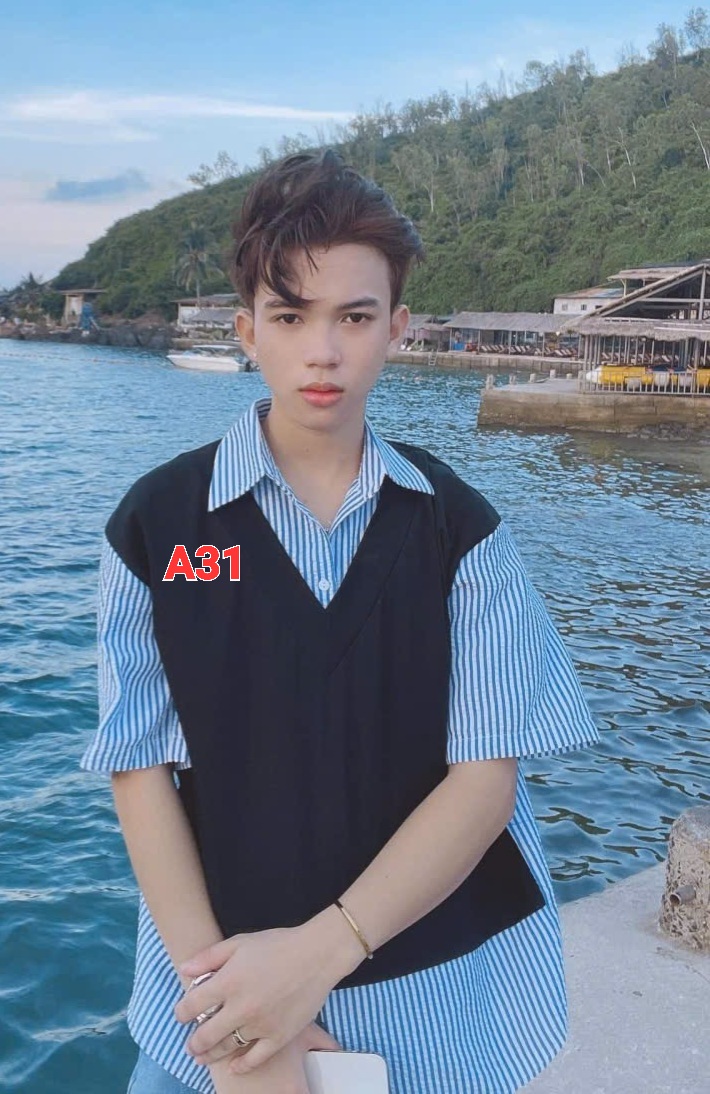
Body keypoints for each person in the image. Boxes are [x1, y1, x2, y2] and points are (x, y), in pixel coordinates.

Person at [81, 149, 599, 1094]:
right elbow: (140, 771)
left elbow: (485, 781)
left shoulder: (459, 532)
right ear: (248, 331)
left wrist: (315, 959)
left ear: (396, 327)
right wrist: (236, 1024)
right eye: (290, 317)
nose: (322, 352)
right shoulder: (158, 527)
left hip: (432, 995)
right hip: (211, 983)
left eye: (354, 317)